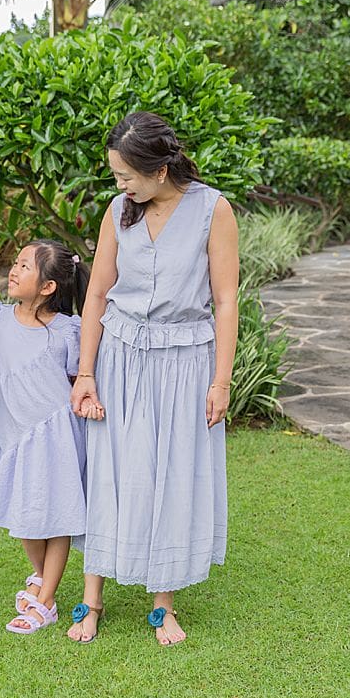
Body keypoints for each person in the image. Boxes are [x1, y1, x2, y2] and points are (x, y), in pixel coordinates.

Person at [68, 111, 239, 647]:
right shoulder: (119, 211)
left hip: (185, 360)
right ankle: (91, 600)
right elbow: (96, 294)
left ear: (159, 171)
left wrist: (221, 380)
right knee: (110, 471)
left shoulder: (214, 210)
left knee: (172, 472)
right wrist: (86, 372)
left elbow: (227, 300)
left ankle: (162, 606)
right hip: (119, 356)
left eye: (124, 175)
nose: (118, 185)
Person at [0, 240, 90, 634]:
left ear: (47, 287)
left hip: (54, 435)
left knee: (57, 519)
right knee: (24, 517)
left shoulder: (68, 331)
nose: (14, 270)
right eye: (16, 263)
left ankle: (48, 600)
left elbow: (77, 380)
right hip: (14, 433)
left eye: (24, 266)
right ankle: (41, 579)